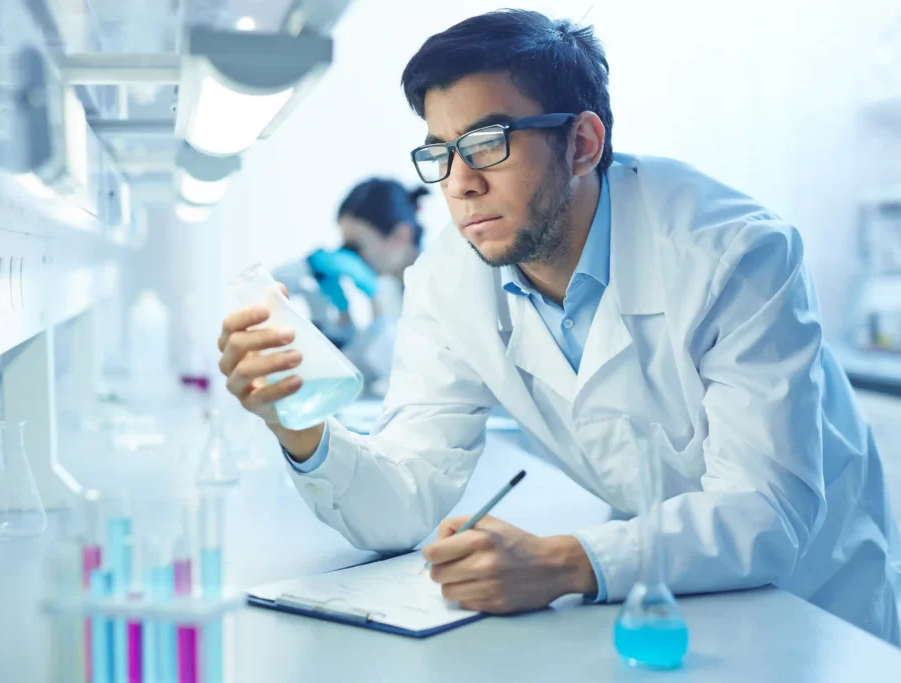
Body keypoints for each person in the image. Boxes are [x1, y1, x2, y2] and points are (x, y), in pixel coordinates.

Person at [218, 10, 901, 643]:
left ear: (581, 143)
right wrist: (300, 423)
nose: (458, 183)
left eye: (486, 144)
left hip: (815, 606)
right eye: (441, 154)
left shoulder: (735, 255)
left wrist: (562, 562)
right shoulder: (448, 280)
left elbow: (765, 510)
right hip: (657, 599)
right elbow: (408, 492)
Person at [273, 178, 428, 393]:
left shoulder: (440, 286)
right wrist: (343, 320)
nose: (348, 257)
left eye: (355, 246)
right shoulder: (392, 287)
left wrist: (376, 305)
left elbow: (416, 376)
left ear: (401, 236)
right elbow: (361, 372)